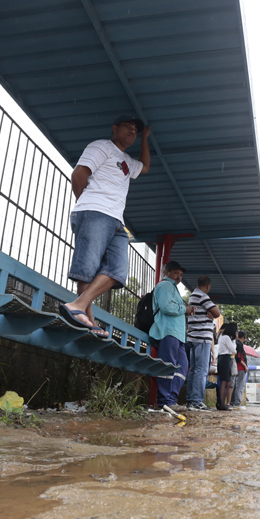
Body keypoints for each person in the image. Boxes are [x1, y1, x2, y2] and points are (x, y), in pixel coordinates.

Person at [58, 116, 151, 337]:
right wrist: (87, 204)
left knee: (117, 271)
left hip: (117, 220)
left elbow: (145, 167)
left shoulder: (127, 160)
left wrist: (145, 138)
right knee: (87, 268)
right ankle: (88, 320)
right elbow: (78, 174)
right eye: (127, 127)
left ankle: (78, 307)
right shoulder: (101, 146)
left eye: (135, 130)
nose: (132, 131)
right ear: (114, 128)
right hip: (95, 211)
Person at [149, 260, 194, 408]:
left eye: (180, 274)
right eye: (175, 273)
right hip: (168, 332)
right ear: (166, 272)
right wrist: (185, 309)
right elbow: (166, 306)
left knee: (182, 367)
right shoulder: (165, 285)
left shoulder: (174, 289)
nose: (179, 277)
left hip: (178, 335)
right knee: (168, 367)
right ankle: (164, 402)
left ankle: (171, 400)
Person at [184, 276, 221, 412]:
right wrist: (212, 312)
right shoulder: (202, 296)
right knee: (201, 370)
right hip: (202, 338)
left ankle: (190, 400)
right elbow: (217, 313)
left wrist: (209, 313)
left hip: (193, 338)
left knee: (194, 370)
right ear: (208, 286)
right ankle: (197, 401)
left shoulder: (193, 296)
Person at [216, 323, 238, 411]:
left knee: (227, 382)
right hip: (225, 359)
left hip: (223, 359)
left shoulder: (222, 337)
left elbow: (232, 350)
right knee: (224, 382)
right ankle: (222, 404)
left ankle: (221, 402)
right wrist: (234, 341)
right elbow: (233, 350)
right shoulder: (227, 337)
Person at [230, 330, 249, 409]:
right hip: (240, 368)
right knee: (240, 386)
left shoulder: (235, 343)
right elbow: (239, 357)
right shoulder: (239, 345)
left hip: (236, 367)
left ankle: (232, 402)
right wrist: (245, 366)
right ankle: (237, 403)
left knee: (235, 385)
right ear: (244, 337)